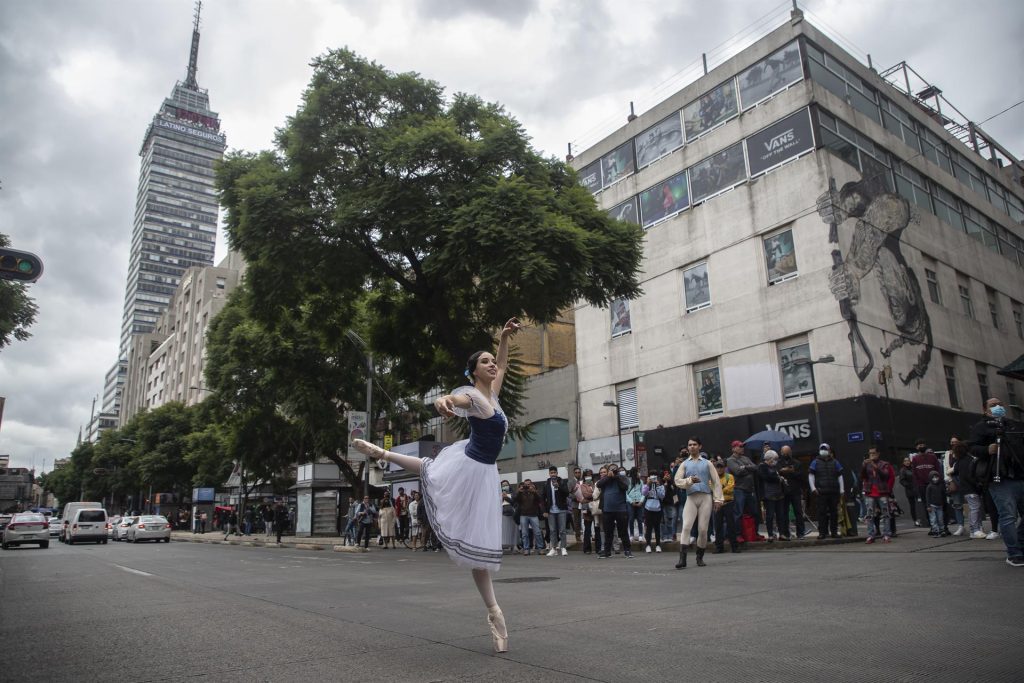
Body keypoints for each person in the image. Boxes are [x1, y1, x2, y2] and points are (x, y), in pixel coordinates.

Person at [352, 318, 521, 651]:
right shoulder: (472, 395)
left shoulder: (494, 396)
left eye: (490, 361)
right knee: (429, 467)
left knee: (479, 548)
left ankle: (493, 613)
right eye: (484, 362)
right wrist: (442, 401)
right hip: (470, 466)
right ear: (473, 372)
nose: (491, 365)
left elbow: (503, 364)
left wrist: (502, 337)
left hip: (485, 473)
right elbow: (452, 399)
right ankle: (381, 451)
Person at [968, 397, 1024, 567]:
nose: (998, 407)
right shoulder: (981, 427)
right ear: (985, 410)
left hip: (1019, 475)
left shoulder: (1012, 424)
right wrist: (987, 449)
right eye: (993, 405)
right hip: (998, 477)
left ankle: (1020, 544)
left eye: (1000, 404)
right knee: (1008, 516)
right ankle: (1014, 553)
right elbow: (972, 447)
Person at [674, 437, 724, 568]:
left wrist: (718, 499)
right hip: (691, 497)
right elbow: (677, 480)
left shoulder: (707, 463)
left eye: (694, 444)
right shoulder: (684, 464)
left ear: (700, 446)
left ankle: (699, 557)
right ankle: (682, 559)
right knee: (686, 527)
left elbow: (716, 482)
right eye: (690, 445)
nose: (692, 447)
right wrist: (689, 480)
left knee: (702, 529)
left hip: (705, 497)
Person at [597, 463, 633, 558]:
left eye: (614, 469)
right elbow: (599, 485)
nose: (613, 471)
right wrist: (608, 477)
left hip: (620, 509)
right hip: (607, 510)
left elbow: (625, 487)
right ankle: (607, 552)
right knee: (608, 532)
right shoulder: (605, 478)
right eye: (611, 469)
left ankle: (627, 550)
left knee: (623, 531)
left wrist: (616, 477)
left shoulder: (621, 478)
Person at [860, 445, 895, 544]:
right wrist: (863, 466)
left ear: (878, 454)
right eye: (870, 454)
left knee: (885, 514)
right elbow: (862, 476)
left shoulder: (884, 464)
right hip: (869, 492)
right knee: (869, 515)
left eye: (873, 453)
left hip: (882, 491)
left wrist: (875, 466)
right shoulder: (866, 464)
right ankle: (871, 535)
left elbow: (885, 475)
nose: (872, 455)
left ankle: (886, 535)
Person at [809, 443, 844, 539]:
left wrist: (841, 489)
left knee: (834, 513)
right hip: (821, 492)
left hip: (833, 491)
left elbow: (840, 476)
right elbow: (811, 475)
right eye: (822, 449)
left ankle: (834, 532)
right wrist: (813, 488)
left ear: (829, 450)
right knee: (821, 513)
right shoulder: (815, 462)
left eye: (825, 449)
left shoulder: (835, 462)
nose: (823, 450)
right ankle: (822, 533)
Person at [727, 440, 758, 541]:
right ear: (734, 448)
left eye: (742, 446)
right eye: (740, 446)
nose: (742, 448)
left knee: (754, 512)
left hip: (749, 489)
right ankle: (738, 535)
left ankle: (754, 533)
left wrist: (745, 467)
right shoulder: (730, 460)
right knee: (738, 513)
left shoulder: (746, 458)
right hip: (739, 489)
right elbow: (737, 471)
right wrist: (748, 468)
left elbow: (755, 467)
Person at [540, 466, 570, 556]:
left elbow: (567, 493)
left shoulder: (561, 481)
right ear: (549, 474)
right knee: (552, 530)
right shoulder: (546, 483)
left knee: (562, 530)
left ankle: (563, 548)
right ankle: (553, 548)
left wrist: (558, 486)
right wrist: (544, 510)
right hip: (551, 511)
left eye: (554, 472)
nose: (553, 474)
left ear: (557, 473)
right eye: (551, 472)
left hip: (561, 509)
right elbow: (542, 497)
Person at [777, 446, 805, 539]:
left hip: (795, 491)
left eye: (787, 452)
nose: (786, 454)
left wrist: (790, 471)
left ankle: (800, 533)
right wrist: (782, 471)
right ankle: (786, 533)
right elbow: (776, 474)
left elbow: (801, 476)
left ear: (790, 452)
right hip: (783, 491)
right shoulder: (778, 463)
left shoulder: (797, 463)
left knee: (798, 512)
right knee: (784, 513)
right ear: (781, 452)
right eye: (784, 452)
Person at [911, 439, 940, 525]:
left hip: (934, 484)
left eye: (923, 444)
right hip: (922, 485)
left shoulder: (932, 457)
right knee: (926, 505)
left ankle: (940, 524)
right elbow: (914, 473)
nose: (921, 446)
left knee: (937, 503)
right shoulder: (915, 459)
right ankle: (932, 524)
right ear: (916, 447)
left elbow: (938, 470)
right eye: (919, 445)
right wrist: (917, 485)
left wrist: (939, 482)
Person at [712, 459, 739, 553]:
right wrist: (722, 489)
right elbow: (711, 488)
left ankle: (734, 547)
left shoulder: (729, 476)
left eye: (721, 467)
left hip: (728, 503)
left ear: (724, 468)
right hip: (717, 503)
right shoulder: (712, 478)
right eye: (717, 467)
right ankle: (719, 547)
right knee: (718, 526)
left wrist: (718, 489)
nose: (719, 469)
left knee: (731, 525)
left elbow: (730, 488)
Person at [759, 450, 786, 542]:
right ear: (769, 459)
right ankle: (770, 535)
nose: (775, 461)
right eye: (774, 459)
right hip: (768, 494)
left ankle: (782, 534)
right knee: (770, 515)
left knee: (780, 515)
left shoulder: (775, 467)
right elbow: (766, 477)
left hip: (779, 493)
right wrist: (778, 478)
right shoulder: (762, 466)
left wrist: (780, 478)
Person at [514, 480, 545, 555]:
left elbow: (540, 500)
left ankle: (540, 548)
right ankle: (526, 549)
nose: (527, 486)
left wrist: (534, 492)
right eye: (526, 485)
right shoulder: (521, 493)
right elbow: (515, 500)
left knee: (537, 532)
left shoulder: (534, 492)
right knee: (524, 533)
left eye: (529, 484)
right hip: (523, 515)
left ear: (531, 485)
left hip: (534, 515)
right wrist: (519, 492)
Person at [641, 471, 665, 553]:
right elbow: (643, 493)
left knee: (657, 527)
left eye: (655, 476)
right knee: (649, 528)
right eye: (652, 476)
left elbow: (662, 496)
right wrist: (648, 484)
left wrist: (658, 485)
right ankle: (648, 545)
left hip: (657, 508)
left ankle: (658, 545)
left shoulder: (660, 485)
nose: (653, 478)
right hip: (648, 508)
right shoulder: (646, 485)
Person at [898, 456, 919, 527]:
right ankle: (915, 520)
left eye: (908, 460)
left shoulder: (913, 468)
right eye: (905, 461)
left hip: (917, 489)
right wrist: (909, 486)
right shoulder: (903, 470)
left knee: (919, 504)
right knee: (912, 505)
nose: (907, 462)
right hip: (910, 490)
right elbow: (902, 480)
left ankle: (922, 519)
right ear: (903, 462)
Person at [626, 468, 645, 543]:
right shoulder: (628, 482)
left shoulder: (640, 482)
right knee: (631, 518)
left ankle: (640, 535)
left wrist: (641, 501)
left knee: (640, 519)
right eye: (637, 472)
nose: (639, 473)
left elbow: (643, 492)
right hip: (630, 502)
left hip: (639, 502)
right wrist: (631, 502)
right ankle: (631, 535)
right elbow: (626, 493)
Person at [925, 471, 946, 537]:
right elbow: (927, 497)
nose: (935, 479)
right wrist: (928, 506)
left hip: (940, 505)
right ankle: (935, 531)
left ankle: (942, 530)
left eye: (936, 477)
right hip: (932, 505)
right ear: (930, 478)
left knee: (940, 519)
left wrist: (944, 503)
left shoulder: (941, 486)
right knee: (933, 519)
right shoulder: (929, 486)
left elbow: (943, 495)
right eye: (933, 477)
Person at [567, 466, 583, 544]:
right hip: (575, 504)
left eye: (579, 472)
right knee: (576, 521)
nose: (577, 474)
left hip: (584, 503)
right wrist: (575, 497)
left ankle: (589, 535)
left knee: (585, 520)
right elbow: (568, 493)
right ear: (574, 473)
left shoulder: (583, 481)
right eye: (576, 472)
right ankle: (578, 536)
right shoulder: (571, 482)